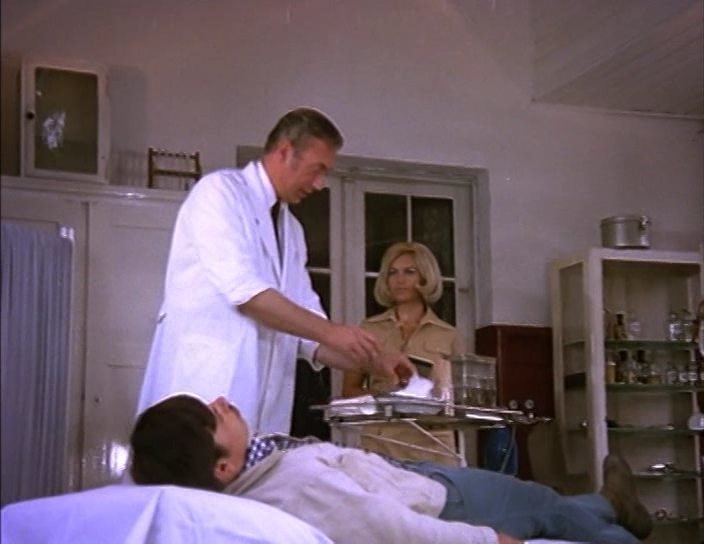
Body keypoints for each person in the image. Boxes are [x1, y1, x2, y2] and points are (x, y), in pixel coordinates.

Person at [136, 108, 413, 434]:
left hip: (261, 411)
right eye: (317, 170)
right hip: (204, 393)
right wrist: (331, 332)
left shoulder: (291, 230)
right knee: (194, 463)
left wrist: (374, 360)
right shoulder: (220, 193)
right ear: (284, 151)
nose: (320, 184)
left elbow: (309, 333)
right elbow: (247, 294)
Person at [129, 394, 653, 544]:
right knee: (542, 507)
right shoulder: (296, 490)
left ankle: (610, 505)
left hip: (411, 477)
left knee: (547, 505)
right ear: (223, 467)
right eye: (213, 416)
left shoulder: (256, 471)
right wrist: (484, 540)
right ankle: (620, 520)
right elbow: (390, 528)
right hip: (442, 505)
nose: (223, 402)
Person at [341, 241, 464, 465]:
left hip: (432, 446)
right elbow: (349, 390)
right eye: (393, 273)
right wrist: (385, 399)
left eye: (409, 272)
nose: (399, 279)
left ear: (425, 277)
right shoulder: (370, 328)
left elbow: (458, 401)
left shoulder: (449, 334)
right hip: (380, 445)